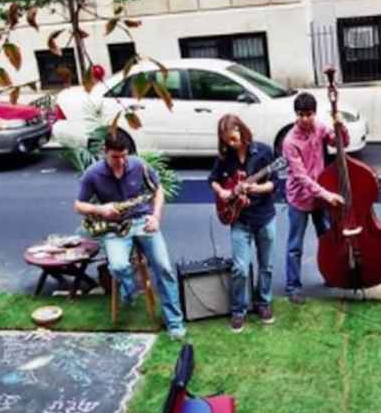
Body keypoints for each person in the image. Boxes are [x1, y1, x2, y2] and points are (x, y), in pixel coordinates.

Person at [74, 131, 186, 340]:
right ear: (104, 152)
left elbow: (158, 191)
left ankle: (175, 323)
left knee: (164, 268)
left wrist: (155, 217)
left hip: (143, 222)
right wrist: (102, 210)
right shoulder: (93, 173)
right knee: (117, 266)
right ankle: (130, 288)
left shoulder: (139, 165)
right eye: (115, 157)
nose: (121, 161)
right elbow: (78, 205)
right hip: (115, 228)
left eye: (124, 155)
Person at [208, 115, 278, 333]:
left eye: (233, 138)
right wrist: (224, 192)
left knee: (266, 265)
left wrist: (257, 188)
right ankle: (239, 309)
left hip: (264, 216)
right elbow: (212, 179)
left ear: (242, 130)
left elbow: (274, 183)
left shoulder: (265, 152)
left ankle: (263, 303)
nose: (231, 143)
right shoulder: (225, 157)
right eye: (226, 140)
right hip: (239, 219)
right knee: (240, 268)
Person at [282, 92, 346, 305]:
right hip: (300, 199)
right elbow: (301, 177)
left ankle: (330, 275)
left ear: (314, 113)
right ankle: (293, 287)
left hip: (320, 198)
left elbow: (341, 144)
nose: (305, 119)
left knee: (327, 239)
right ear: (296, 115)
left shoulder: (319, 127)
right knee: (295, 247)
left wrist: (340, 126)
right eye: (301, 115)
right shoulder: (290, 141)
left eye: (308, 114)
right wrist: (327, 194)